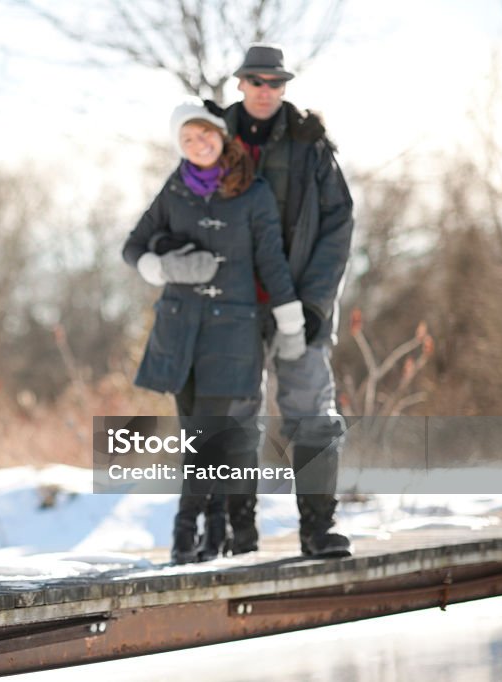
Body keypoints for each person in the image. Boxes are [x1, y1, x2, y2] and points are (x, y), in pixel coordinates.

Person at [122, 98, 306, 564]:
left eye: (203, 133)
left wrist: (289, 315)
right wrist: (164, 265)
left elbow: (271, 261)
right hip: (180, 331)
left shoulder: (254, 192)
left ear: (221, 135)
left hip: (233, 333)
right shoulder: (175, 189)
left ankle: (186, 538)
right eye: (186, 138)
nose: (197, 143)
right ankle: (217, 532)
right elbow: (133, 247)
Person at [210, 44, 355, 558]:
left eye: (275, 82)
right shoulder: (211, 138)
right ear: (241, 84)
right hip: (233, 308)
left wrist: (315, 305)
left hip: (300, 306)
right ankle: (237, 535)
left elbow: (338, 225)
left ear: (284, 87)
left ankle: (319, 529)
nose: (265, 90)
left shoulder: (309, 144)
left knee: (312, 412)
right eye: (256, 81)